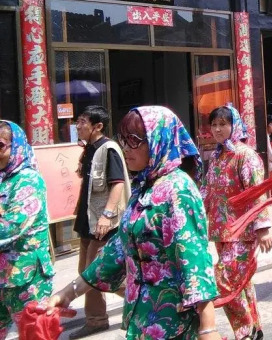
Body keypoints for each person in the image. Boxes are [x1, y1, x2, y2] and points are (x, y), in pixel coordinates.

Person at [47, 106, 221, 340]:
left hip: (173, 323)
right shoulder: (143, 186)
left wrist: (208, 328)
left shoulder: (178, 189)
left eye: (135, 141)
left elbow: (194, 260)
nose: (126, 148)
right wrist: (69, 293)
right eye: (123, 140)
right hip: (141, 317)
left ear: (159, 140)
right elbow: (118, 249)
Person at [201, 105, 272, 340]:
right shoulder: (216, 156)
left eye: (223, 124)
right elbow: (207, 190)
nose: (217, 129)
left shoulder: (245, 155)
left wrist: (263, 227)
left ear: (234, 126)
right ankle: (256, 330)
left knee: (223, 281)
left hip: (243, 232)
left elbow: (256, 191)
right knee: (241, 283)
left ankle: (244, 332)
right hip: (221, 231)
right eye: (214, 125)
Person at [70, 105, 131, 339]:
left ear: (98, 126)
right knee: (86, 272)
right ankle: (96, 319)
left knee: (98, 273)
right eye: (78, 121)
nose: (78, 126)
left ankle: (145, 296)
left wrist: (107, 215)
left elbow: (117, 184)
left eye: (83, 122)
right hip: (88, 222)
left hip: (103, 224)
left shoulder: (109, 149)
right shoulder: (89, 149)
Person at [0, 121, 54, 340]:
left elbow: (13, 225)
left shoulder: (28, 180)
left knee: (34, 334)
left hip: (26, 276)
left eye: (0, 145)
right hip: (3, 275)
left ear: (16, 146)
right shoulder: (2, 178)